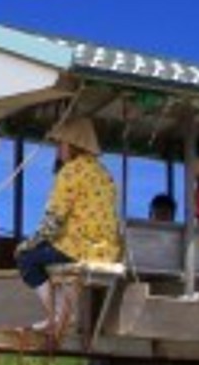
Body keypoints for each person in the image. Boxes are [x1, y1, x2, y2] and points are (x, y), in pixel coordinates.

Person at [16, 115, 124, 332]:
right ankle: (65, 313)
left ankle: (56, 317)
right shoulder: (105, 174)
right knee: (45, 253)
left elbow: (53, 221)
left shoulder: (71, 171)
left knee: (27, 258)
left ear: (72, 145)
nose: (58, 150)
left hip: (79, 248)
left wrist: (27, 244)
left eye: (60, 144)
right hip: (108, 251)